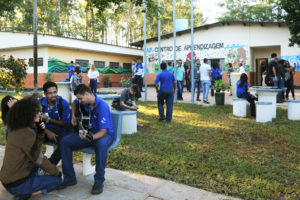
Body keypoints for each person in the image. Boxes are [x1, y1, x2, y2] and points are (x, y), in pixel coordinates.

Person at [0, 96, 62, 200]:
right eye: (37, 112)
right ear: (28, 114)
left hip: (7, 181)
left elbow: (34, 149)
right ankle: (26, 195)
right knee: (57, 181)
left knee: (36, 170)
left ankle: (27, 188)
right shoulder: (26, 132)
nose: (40, 114)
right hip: (16, 184)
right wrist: (57, 173)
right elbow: (39, 158)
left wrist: (41, 133)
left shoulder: (15, 128)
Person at [60, 84, 114, 195]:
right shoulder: (85, 102)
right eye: (79, 98)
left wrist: (90, 137)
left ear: (87, 94)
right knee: (65, 141)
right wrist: (73, 116)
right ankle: (70, 178)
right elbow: (74, 102)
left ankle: (99, 181)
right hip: (89, 133)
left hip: (105, 135)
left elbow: (103, 131)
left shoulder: (102, 106)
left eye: (81, 98)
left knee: (100, 145)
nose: (79, 100)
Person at [39, 81, 71, 165]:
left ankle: (50, 165)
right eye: (50, 93)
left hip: (60, 130)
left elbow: (66, 124)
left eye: (55, 92)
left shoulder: (63, 103)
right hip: (44, 129)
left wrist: (48, 119)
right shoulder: (39, 102)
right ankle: (36, 162)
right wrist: (47, 131)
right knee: (31, 137)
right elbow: (33, 121)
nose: (53, 95)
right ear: (45, 94)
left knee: (65, 143)